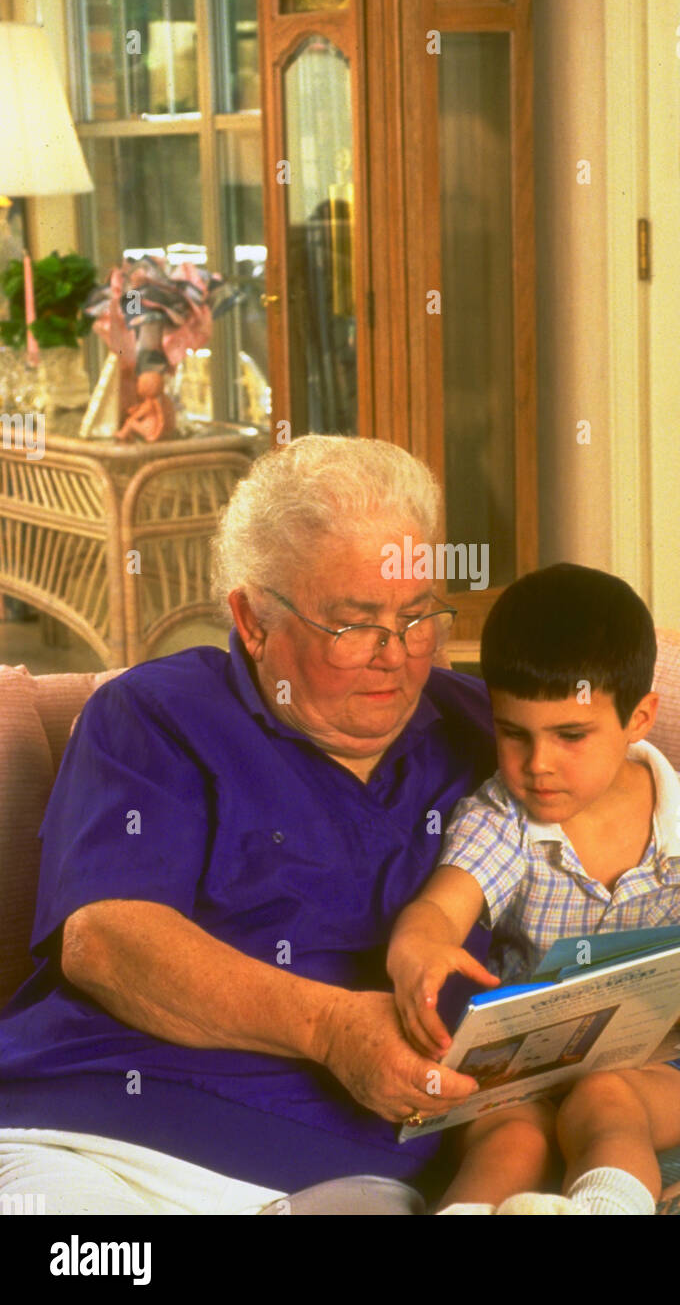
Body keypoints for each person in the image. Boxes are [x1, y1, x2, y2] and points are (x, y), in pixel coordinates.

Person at [0, 435, 496, 1215]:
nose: (396, 656)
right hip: (102, 1139)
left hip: (356, 1179)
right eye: (354, 624)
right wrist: (332, 1029)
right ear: (253, 619)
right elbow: (108, 941)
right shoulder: (157, 715)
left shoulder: (488, 735)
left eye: (417, 616)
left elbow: (643, 858)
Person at [387, 563, 680, 1215]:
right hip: (523, 1068)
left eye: (571, 736)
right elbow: (442, 904)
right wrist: (419, 946)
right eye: (513, 732)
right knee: (508, 1142)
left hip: (661, 1068)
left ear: (640, 717)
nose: (537, 763)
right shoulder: (501, 816)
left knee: (606, 1101)